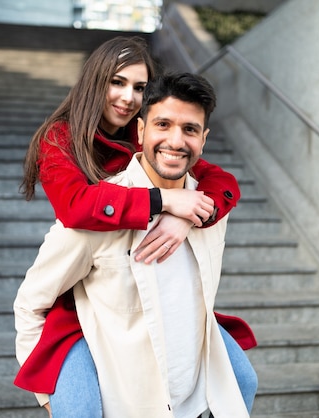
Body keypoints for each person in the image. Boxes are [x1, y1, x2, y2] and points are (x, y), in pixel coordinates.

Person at [16, 36, 256, 415]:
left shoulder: (147, 133)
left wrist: (185, 219)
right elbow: (77, 209)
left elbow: (219, 181)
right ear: (96, 81)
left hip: (137, 291)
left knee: (242, 380)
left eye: (140, 88)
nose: (128, 97)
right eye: (117, 82)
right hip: (80, 299)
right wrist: (164, 201)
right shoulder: (59, 139)